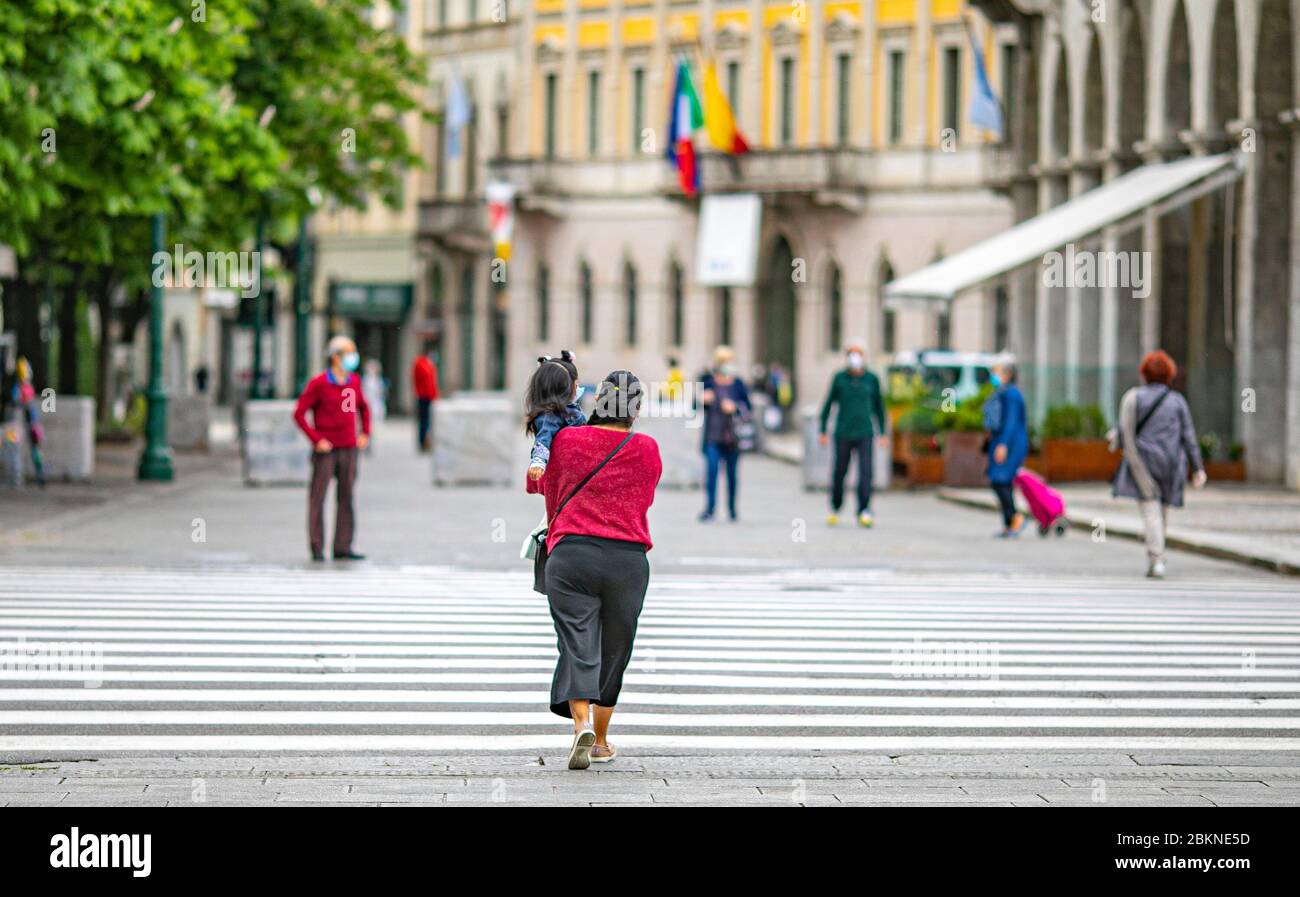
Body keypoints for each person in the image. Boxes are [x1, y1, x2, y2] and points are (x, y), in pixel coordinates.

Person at [527, 371, 663, 769]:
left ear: (597, 401)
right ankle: (601, 741)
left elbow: (540, 488)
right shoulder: (648, 448)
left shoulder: (566, 440)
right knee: (615, 648)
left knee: (577, 642)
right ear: (635, 409)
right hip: (627, 560)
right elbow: (645, 497)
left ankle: (580, 725)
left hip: (571, 556)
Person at [1111, 350, 1207, 578]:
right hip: (1172, 464)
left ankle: (1157, 559)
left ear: (1144, 373)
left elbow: (1127, 433)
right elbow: (1189, 436)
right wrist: (1198, 468)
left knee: (1150, 509)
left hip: (1143, 462)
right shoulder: (1177, 401)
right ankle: (1158, 554)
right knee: (1160, 509)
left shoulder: (1133, 397)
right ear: (1169, 375)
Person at [293, 335, 371, 562]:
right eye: (348, 353)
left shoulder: (354, 381)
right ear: (335, 357)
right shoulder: (319, 383)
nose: (352, 358)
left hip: (349, 447)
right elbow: (299, 413)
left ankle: (343, 545)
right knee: (318, 497)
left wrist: (365, 432)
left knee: (346, 497)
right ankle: (317, 546)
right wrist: (316, 439)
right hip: (325, 450)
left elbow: (363, 408)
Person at [818, 341, 886, 527]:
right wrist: (823, 430)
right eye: (851, 353)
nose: (854, 357)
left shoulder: (872, 379)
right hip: (843, 432)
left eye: (858, 353)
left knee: (866, 473)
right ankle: (835, 507)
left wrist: (883, 432)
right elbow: (828, 404)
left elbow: (879, 407)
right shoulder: (840, 378)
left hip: (865, 432)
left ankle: (864, 509)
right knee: (840, 471)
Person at [699, 345, 750, 522]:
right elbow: (694, 407)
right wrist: (702, 400)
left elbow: (747, 408)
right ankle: (710, 508)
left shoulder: (738, 384)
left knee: (732, 475)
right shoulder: (708, 382)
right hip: (713, 435)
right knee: (711, 472)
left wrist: (734, 408)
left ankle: (732, 509)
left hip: (732, 437)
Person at [983, 361, 1029, 537]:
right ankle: (1009, 523)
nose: (994, 375)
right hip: (1002, 442)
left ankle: (1014, 517)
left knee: (1000, 480)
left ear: (1008, 374)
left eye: (998, 371)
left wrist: (1003, 444)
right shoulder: (1003, 392)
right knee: (1001, 481)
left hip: (1010, 444)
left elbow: (1011, 421)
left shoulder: (1012, 394)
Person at [525, 350, 586, 480]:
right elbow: (544, 436)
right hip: (566, 473)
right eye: (576, 385)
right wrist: (538, 461)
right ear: (564, 387)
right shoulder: (550, 415)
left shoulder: (568, 409)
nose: (578, 388)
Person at [11, 356, 45, 487]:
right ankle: (23, 476)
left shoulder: (24, 387)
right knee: (21, 450)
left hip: (28, 422)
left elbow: (20, 402)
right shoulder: (23, 387)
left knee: (33, 450)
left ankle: (38, 475)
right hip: (25, 422)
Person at [411, 343, 439, 452]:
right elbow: (427, 381)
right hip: (424, 396)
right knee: (424, 420)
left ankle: (426, 441)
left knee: (427, 420)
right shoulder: (422, 364)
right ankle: (423, 442)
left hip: (427, 396)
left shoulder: (427, 363)